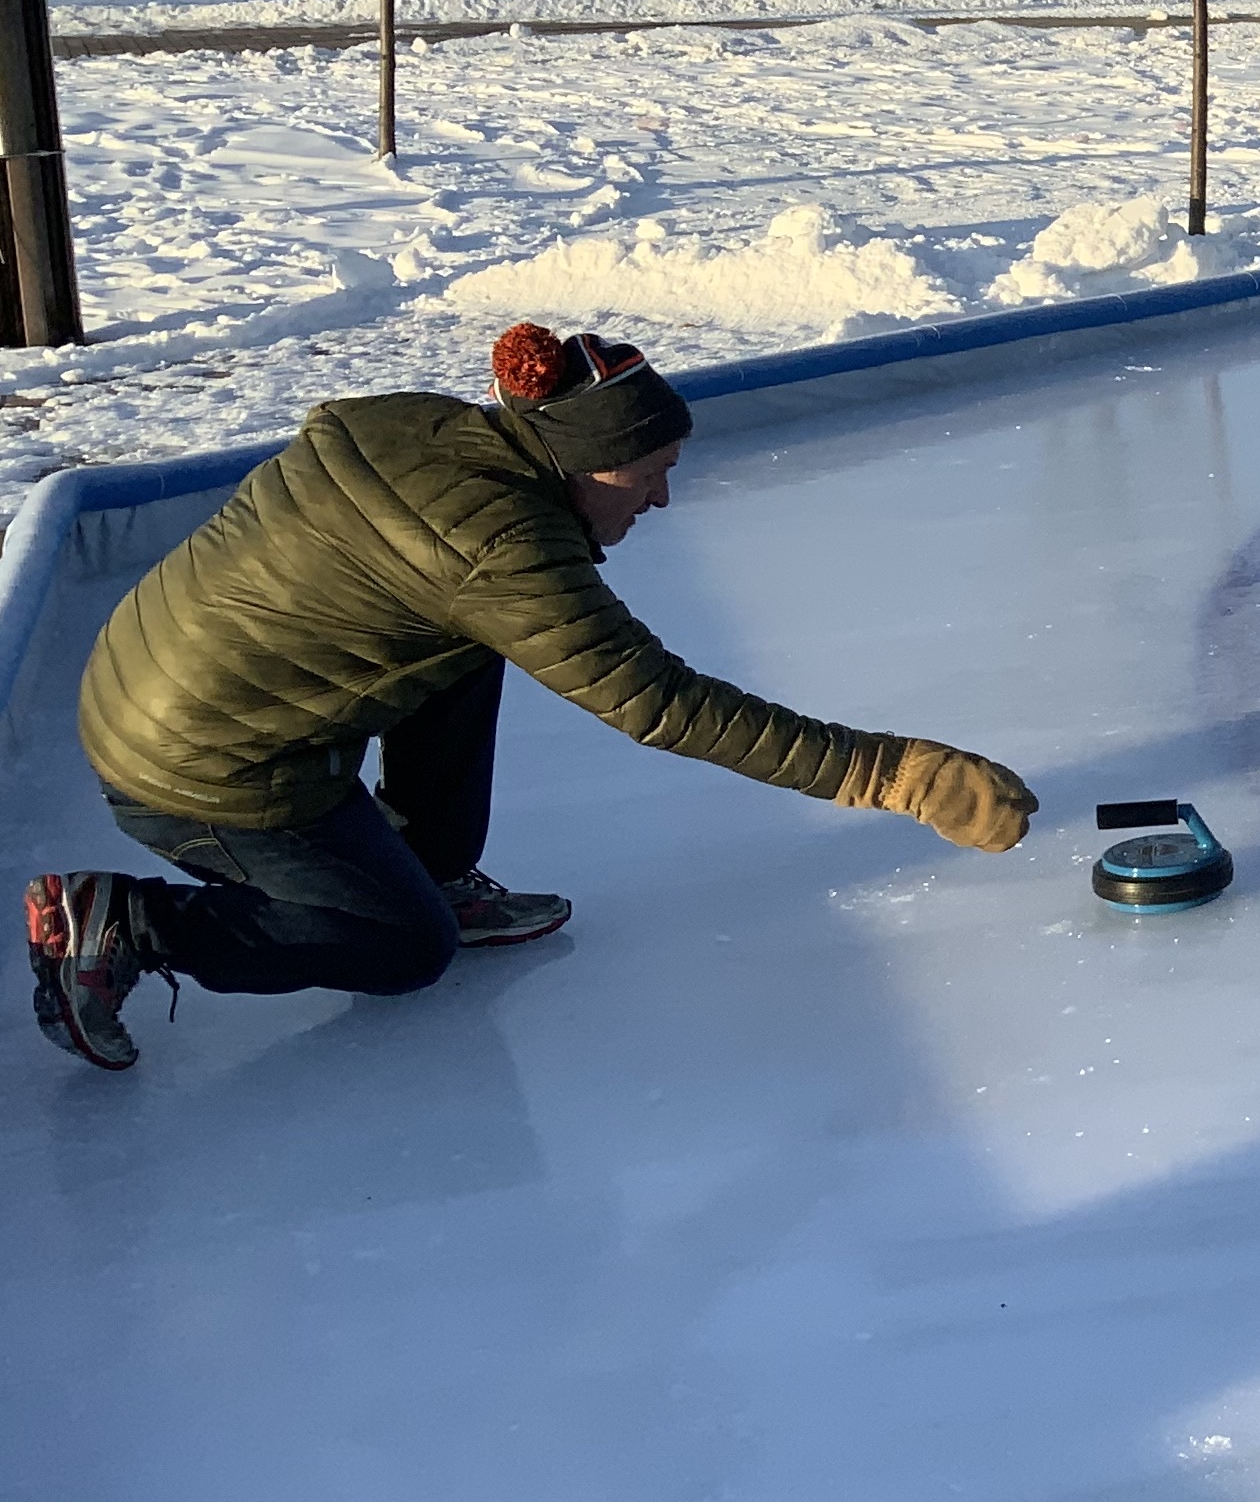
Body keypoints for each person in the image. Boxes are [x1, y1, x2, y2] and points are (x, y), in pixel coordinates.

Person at [28, 322, 1035, 1072]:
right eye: (650, 474)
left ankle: (430, 868)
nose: (661, 499)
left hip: (144, 677)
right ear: (585, 465)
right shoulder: (502, 550)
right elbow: (660, 703)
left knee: (464, 643)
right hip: (201, 770)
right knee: (403, 946)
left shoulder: (431, 432)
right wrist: (893, 774)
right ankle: (125, 923)